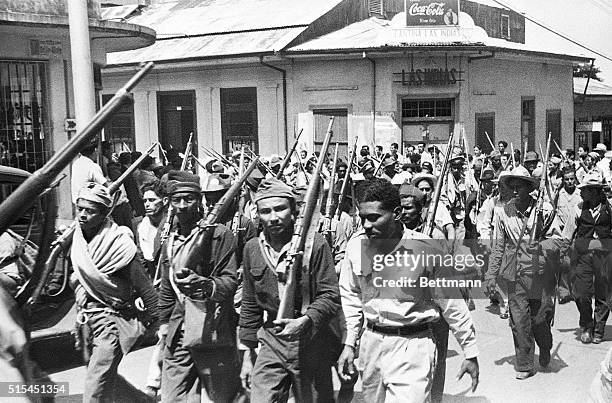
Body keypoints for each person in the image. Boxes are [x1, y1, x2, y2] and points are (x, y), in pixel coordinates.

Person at [337, 179, 479, 401]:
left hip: (413, 347)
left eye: (374, 218)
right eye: (362, 218)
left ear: (396, 213)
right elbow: (351, 297)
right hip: (371, 345)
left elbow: (452, 304)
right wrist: (349, 343)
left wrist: (470, 351)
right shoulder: (356, 247)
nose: (365, 225)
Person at [239, 178, 341, 402]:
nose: (273, 217)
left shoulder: (315, 244)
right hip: (272, 339)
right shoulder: (253, 249)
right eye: (266, 211)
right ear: (257, 214)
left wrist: (305, 321)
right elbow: (249, 303)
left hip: (311, 339)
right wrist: (247, 354)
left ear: (294, 211)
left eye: (280, 209)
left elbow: (330, 295)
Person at [70, 183, 158, 402]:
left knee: (95, 385)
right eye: (80, 208)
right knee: (103, 376)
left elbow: (144, 287)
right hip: (86, 320)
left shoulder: (119, 244)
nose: (82, 215)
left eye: (90, 211)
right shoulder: (76, 238)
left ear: (104, 213)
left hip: (112, 320)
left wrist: (160, 323)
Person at [158, 170, 240, 402]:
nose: (183, 205)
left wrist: (204, 284)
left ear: (200, 200)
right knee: (172, 398)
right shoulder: (170, 241)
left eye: (189, 199)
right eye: (177, 200)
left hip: (212, 328)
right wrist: (164, 325)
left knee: (220, 397)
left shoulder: (220, 235)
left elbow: (229, 282)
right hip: (178, 330)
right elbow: (166, 289)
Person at [484, 166, 554, 379]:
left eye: (519, 187)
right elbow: (498, 246)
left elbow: (558, 240)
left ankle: (544, 346)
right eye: (511, 187)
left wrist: (542, 247)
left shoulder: (544, 209)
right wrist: (491, 275)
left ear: (529, 188)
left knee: (540, 320)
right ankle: (524, 364)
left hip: (540, 273)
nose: (515, 191)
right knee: (519, 321)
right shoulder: (504, 212)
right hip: (515, 272)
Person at [546, 173, 612, 344]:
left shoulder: (610, 208)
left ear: (596, 192)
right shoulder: (578, 208)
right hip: (583, 256)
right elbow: (567, 234)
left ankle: (598, 329)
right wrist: (561, 254)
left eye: (585, 190)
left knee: (603, 294)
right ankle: (586, 325)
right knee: (581, 293)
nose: (581, 192)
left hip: (605, 256)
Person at [71, 141, 108, 205]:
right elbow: (105, 185)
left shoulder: (76, 163)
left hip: (77, 201)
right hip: (89, 202)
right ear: (94, 151)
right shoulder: (92, 166)